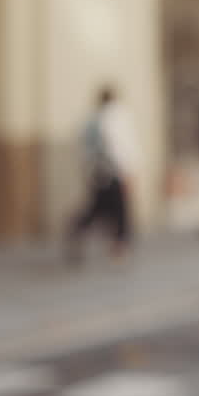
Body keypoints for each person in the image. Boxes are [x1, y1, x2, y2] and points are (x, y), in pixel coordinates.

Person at [65, 85, 139, 263]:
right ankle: (119, 248)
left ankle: (79, 229)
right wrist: (128, 171)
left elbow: (84, 148)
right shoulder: (116, 117)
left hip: (97, 172)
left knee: (99, 207)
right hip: (113, 171)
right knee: (119, 210)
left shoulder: (92, 119)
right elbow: (120, 147)